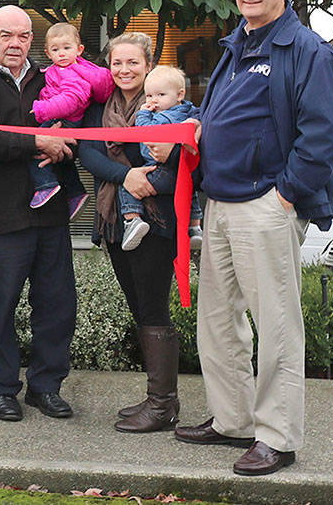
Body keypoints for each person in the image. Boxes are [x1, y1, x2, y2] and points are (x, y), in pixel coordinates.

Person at [175, 0, 333, 476]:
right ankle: (233, 421)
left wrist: (286, 194)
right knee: (218, 321)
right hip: (221, 205)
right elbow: (224, 117)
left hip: (266, 206)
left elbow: (325, 136)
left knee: (275, 327)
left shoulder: (308, 52)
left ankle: (277, 436)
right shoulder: (236, 45)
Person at [0, 5, 77, 423]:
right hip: (4, 215)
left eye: (23, 36)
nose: (15, 43)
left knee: (57, 305)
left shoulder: (51, 79)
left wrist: (64, 139)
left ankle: (46, 387)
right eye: (6, 35)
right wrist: (40, 142)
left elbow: (76, 122)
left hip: (52, 215)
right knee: (1, 306)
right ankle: (5, 388)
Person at [77, 33, 191, 434]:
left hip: (156, 220)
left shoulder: (167, 107)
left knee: (153, 305)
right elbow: (86, 152)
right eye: (117, 64)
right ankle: (159, 398)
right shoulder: (99, 106)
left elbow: (181, 156)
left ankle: (162, 405)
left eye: (133, 64)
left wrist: (151, 172)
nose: (124, 71)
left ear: (148, 65)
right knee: (138, 307)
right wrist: (125, 175)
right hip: (116, 218)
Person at [114, 64, 204, 251]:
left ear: (180, 94)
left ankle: (133, 220)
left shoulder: (163, 116)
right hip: (183, 169)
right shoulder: (189, 111)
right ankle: (195, 227)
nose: (154, 101)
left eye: (161, 95)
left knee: (127, 186)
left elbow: (144, 131)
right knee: (191, 193)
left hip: (160, 169)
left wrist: (143, 113)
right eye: (149, 96)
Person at [29, 22, 112, 218]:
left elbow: (72, 100)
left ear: (79, 49)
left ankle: (45, 185)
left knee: (33, 148)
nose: (62, 54)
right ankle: (76, 192)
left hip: (65, 118)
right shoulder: (60, 70)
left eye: (67, 48)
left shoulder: (71, 72)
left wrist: (42, 109)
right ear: (48, 53)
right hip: (66, 118)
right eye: (56, 49)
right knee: (63, 159)